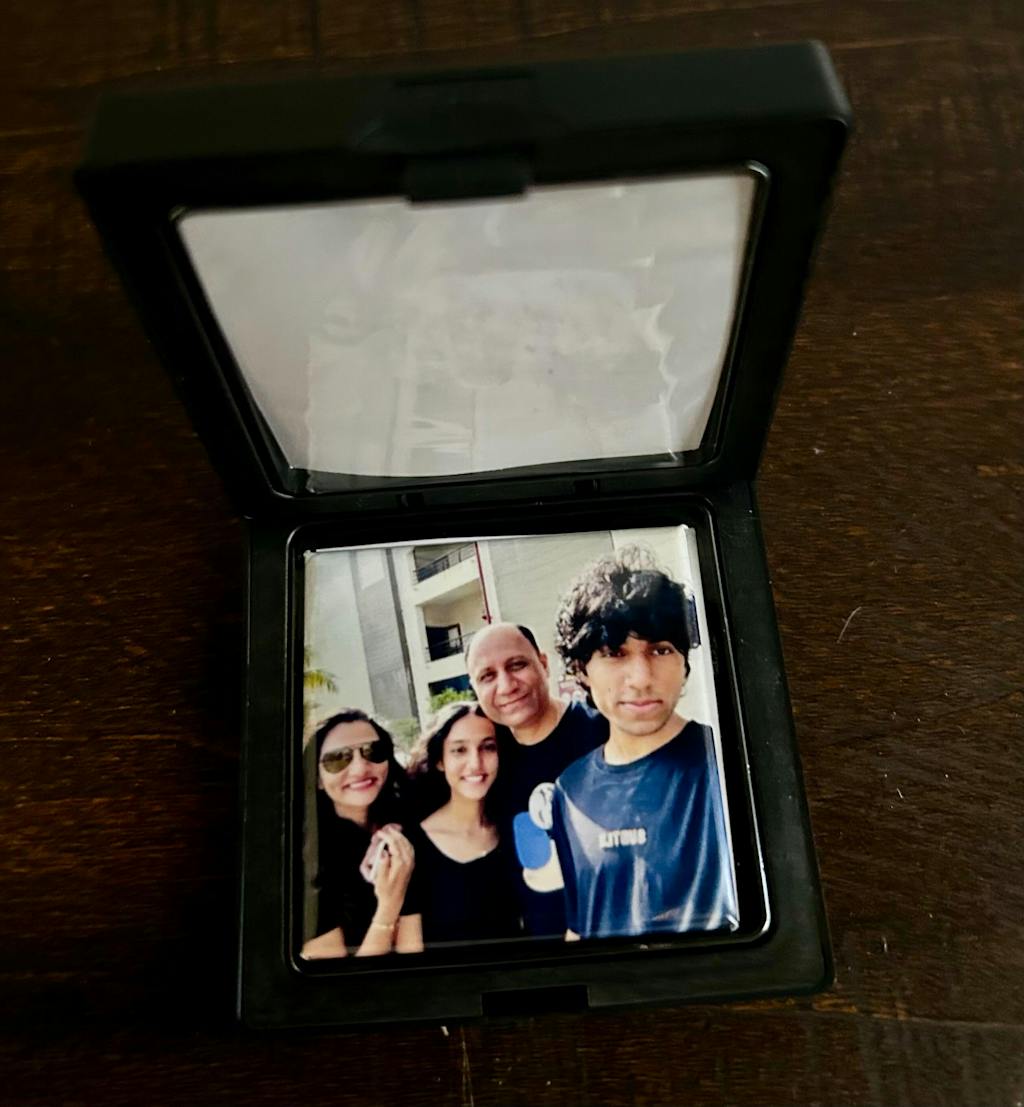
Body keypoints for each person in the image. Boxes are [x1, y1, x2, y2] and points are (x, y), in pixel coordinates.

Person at [549, 548, 739, 940]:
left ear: (684, 663)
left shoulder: (730, 766)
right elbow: (578, 927)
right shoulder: (568, 790)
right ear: (581, 670)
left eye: (661, 649)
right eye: (614, 653)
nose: (640, 677)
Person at [465, 623, 607, 937]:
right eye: (487, 676)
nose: (506, 686)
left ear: (543, 664)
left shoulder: (604, 734)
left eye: (517, 665)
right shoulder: (484, 762)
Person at [301, 709, 423, 959]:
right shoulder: (306, 859)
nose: (360, 768)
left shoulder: (408, 825)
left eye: (372, 751)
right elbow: (337, 981)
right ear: (317, 779)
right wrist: (389, 906)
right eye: (337, 758)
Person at [405, 702, 521, 945]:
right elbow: (410, 948)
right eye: (459, 750)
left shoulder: (513, 829)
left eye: (487, 747)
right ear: (440, 760)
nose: (475, 763)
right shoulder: (413, 845)